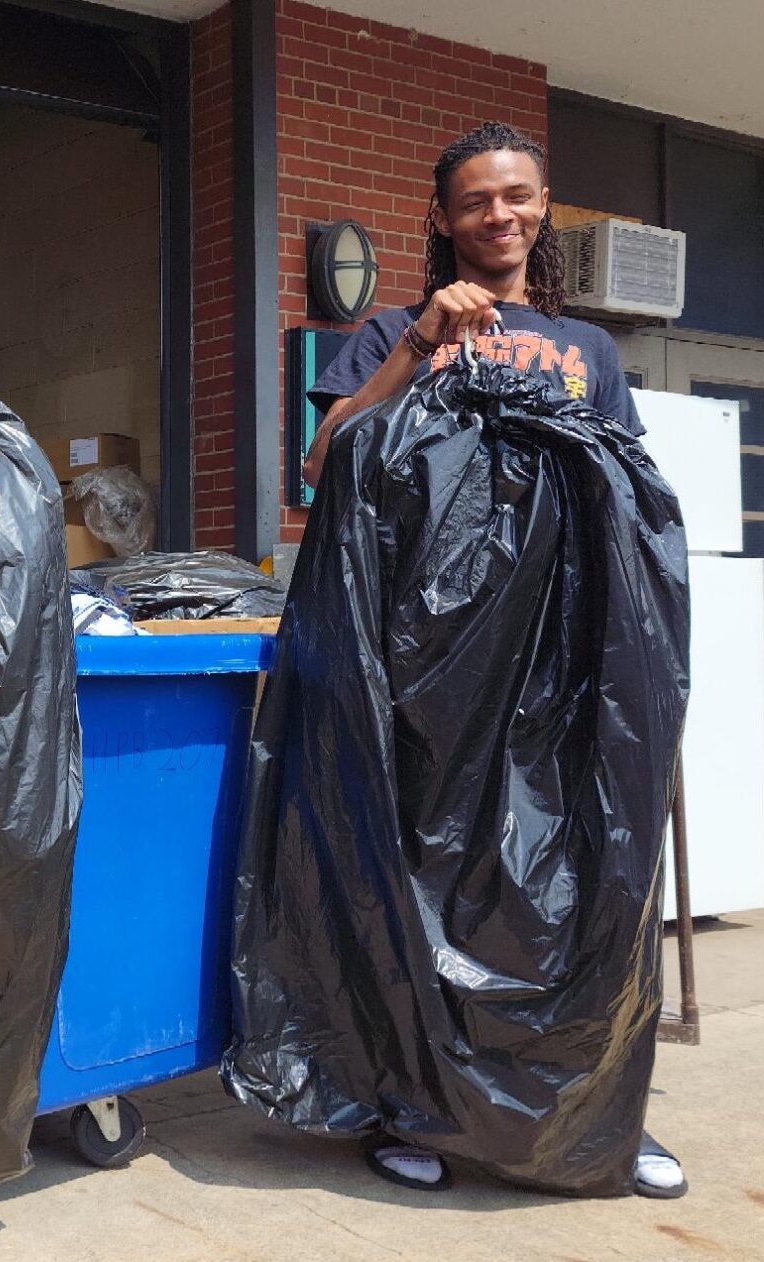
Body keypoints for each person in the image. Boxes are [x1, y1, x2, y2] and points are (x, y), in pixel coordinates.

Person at [300, 121, 687, 1200]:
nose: (499, 216)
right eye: (476, 200)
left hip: (567, 669)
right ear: (441, 218)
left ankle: (598, 1112)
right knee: (431, 883)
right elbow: (326, 460)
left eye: (516, 196)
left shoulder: (592, 353)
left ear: (542, 203)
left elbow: (631, 505)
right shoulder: (387, 327)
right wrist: (421, 340)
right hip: (430, 667)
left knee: (583, 890)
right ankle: (417, 1107)